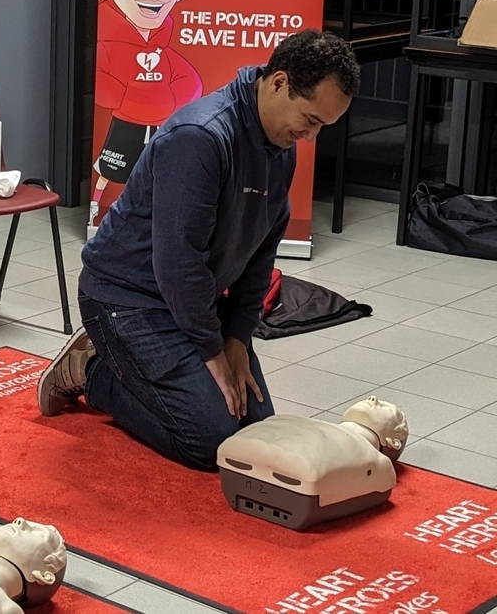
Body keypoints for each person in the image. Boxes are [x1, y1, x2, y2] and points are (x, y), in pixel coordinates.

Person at [38, 30, 360, 471]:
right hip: (126, 301)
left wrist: (237, 340)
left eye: (323, 125)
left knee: (253, 430)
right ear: (280, 82)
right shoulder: (201, 137)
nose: (309, 135)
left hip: (194, 301)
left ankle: (134, 367)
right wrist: (211, 350)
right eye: (311, 119)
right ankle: (91, 371)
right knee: (211, 442)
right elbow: (177, 262)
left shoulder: (281, 148)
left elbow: (261, 256)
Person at [89, 0, 203, 227]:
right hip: (125, 125)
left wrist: (144, 97)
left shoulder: (162, 47)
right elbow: (106, 88)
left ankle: (153, 217)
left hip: (162, 127)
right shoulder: (108, 42)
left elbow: (191, 82)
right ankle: (98, 210)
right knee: (111, 168)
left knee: (159, 169)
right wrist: (150, 97)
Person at [217, 396, 409, 529]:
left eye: (384, 407)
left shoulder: (378, 465)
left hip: (300, 474)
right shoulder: (299, 423)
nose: (373, 399)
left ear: (394, 442)